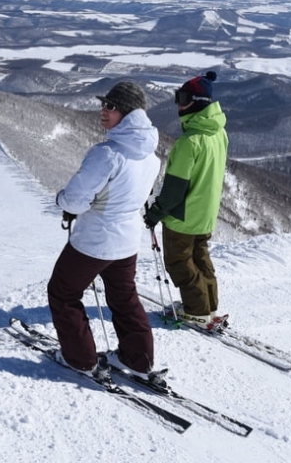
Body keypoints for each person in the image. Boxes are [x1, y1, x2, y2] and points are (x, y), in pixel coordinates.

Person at [49, 81, 162, 379]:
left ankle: (81, 359)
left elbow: (74, 200)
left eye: (111, 106)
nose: (104, 111)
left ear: (129, 114)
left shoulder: (107, 153)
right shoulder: (151, 156)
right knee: (124, 298)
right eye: (104, 104)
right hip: (127, 241)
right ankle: (138, 360)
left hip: (94, 240)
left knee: (63, 294)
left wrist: (61, 199)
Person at [144, 71, 229, 328]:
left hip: (182, 216)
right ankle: (208, 306)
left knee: (179, 262)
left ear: (198, 101)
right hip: (206, 213)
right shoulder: (219, 134)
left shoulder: (189, 143)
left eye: (182, 98)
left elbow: (174, 189)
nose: (178, 104)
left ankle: (196, 310)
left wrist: (155, 212)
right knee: (200, 258)